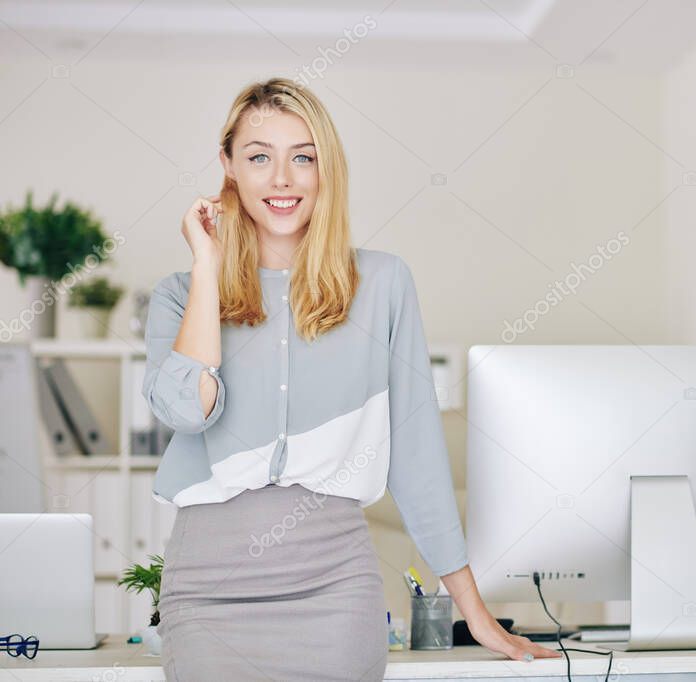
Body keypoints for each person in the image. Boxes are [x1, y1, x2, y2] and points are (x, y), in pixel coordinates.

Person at [144, 77, 560, 681]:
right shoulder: (180, 294)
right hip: (208, 595)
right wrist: (207, 268)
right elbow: (186, 410)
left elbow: (417, 455)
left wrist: (477, 614)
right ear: (228, 167)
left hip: (334, 595)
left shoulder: (384, 285)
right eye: (259, 157)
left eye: (303, 158)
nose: (282, 179)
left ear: (325, 171)